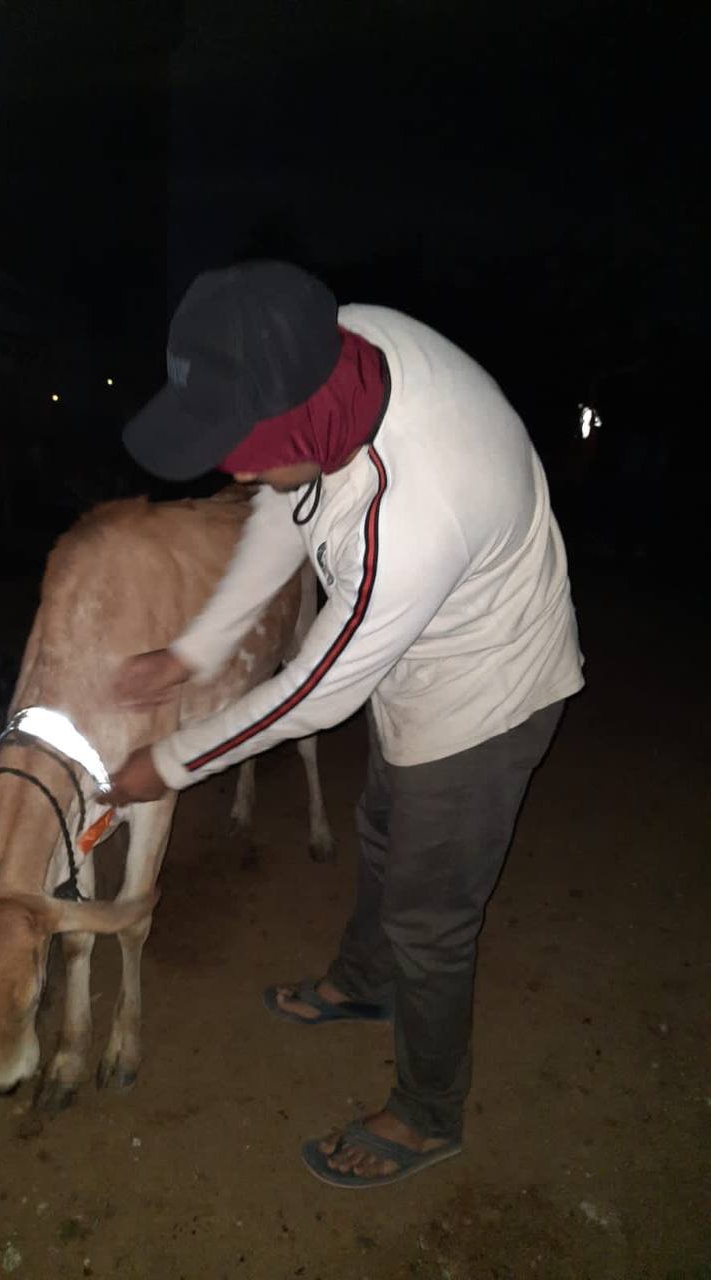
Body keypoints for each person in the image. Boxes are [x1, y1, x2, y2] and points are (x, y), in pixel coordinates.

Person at [103, 261, 584, 1188]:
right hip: (416, 649)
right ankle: (364, 985)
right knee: (381, 830)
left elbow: (315, 695)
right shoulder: (332, 348)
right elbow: (288, 506)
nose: (235, 470)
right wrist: (197, 650)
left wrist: (170, 760)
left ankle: (427, 1114)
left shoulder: (414, 511)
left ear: (298, 421)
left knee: (429, 918)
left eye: (244, 449)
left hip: (486, 690)